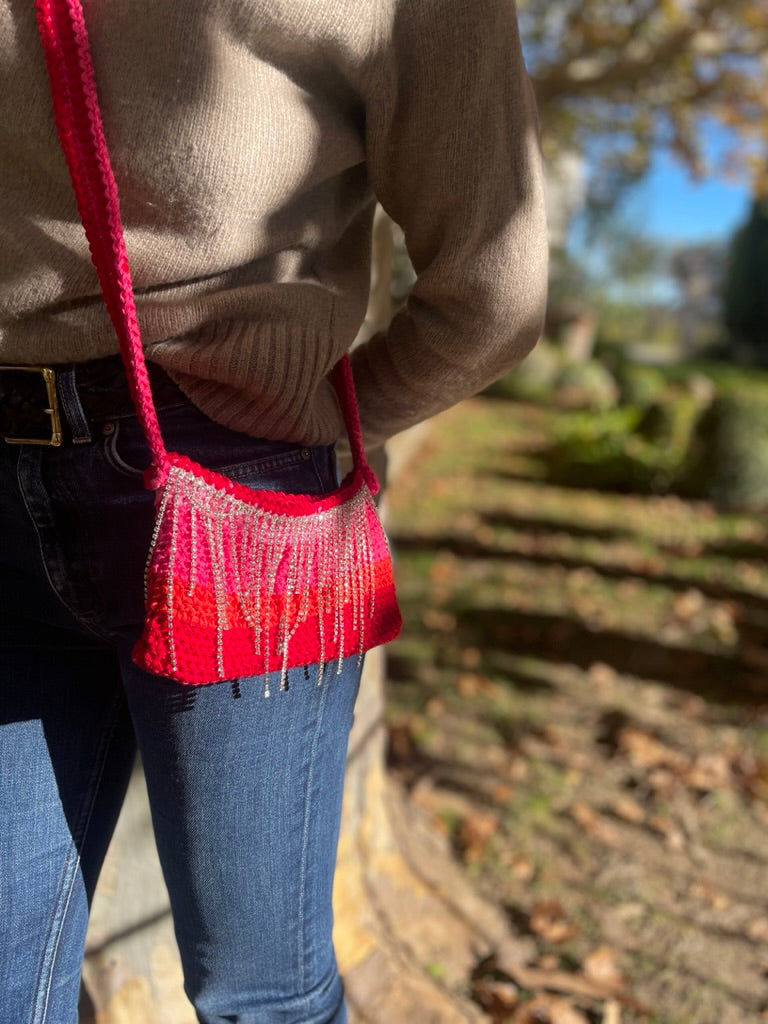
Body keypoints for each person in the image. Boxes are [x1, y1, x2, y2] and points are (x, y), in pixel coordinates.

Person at [0, 0, 548, 1021]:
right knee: (256, 993)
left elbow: (494, 296)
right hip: (233, 472)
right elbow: (498, 289)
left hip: (240, 487)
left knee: (257, 988)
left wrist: (318, 416)